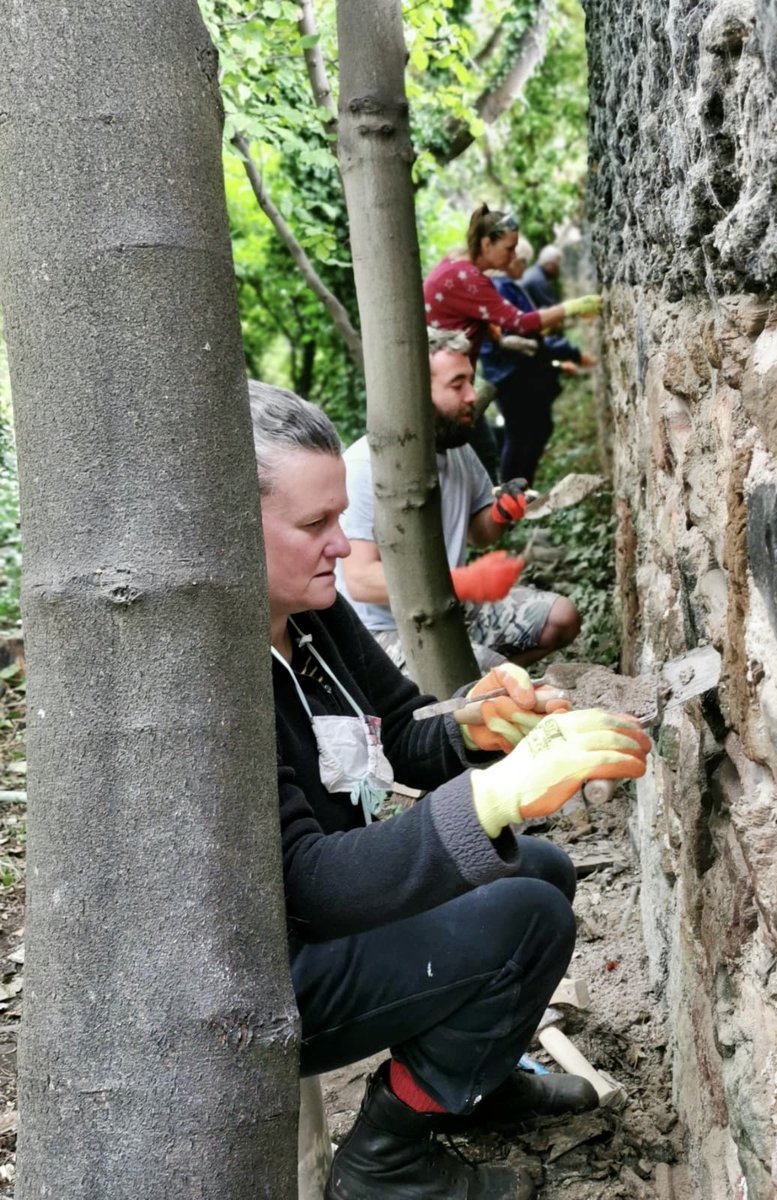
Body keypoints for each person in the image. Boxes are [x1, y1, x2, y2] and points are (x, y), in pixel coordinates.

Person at [251, 379, 652, 1200]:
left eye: (340, 517)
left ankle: (471, 1080)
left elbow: (399, 731)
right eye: (316, 524)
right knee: (526, 916)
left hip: (334, 918)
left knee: (541, 871)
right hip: (277, 972)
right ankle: (384, 1162)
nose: (342, 544)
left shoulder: (313, 615)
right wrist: (493, 797)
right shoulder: (220, 682)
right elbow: (311, 885)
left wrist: (482, 726)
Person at [337, 327, 581, 673]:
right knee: (491, 677)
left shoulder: (458, 449)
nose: (472, 395)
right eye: (458, 384)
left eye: (470, 380)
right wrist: (467, 581)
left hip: (451, 605)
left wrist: (500, 512)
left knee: (562, 619)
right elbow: (360, 581)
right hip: (383, 632)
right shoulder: (364, 466)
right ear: (417, 391)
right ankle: (469, 689)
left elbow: (478, 533)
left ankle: (476, 686)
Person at [481, 238, 597, 485]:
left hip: (510, 371)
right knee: (521, 433)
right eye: (523, 262)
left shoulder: (503, 286)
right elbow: (523, 331)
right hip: (512, 374)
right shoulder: (502, 289)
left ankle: (520, 488)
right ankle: (514, 493)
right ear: (513, 259)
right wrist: (568, 350)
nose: (525, 268)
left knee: (531, 430)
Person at [423, 205, 602, 363]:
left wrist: (491, 330)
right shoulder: (470, 278)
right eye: (509, 248)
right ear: (486, 244)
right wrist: (572, 307)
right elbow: (520, 322)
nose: (514, 256)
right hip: (446, 374)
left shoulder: (453, 264)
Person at [522, 243, 564, 310]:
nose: (556, 270)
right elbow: (551, 307)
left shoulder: (532, 271)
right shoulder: (539, 280)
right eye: (555, 266)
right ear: (549, 263)